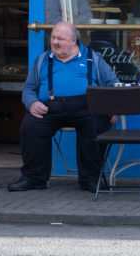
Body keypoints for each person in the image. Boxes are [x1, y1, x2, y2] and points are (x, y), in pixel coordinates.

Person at [8, 21, 118, 193]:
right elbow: (29, 88)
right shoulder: (43, 60)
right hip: (51, 107)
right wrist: (32, 103)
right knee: (30, 127)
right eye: (53, 37)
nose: (55, 42)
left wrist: (112, 109)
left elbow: (113, 84)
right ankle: (33, 178)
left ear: (74, 40)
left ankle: (91, 179)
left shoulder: (93, 58)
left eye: (60, 39)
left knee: (96, 126)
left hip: (87, 107)